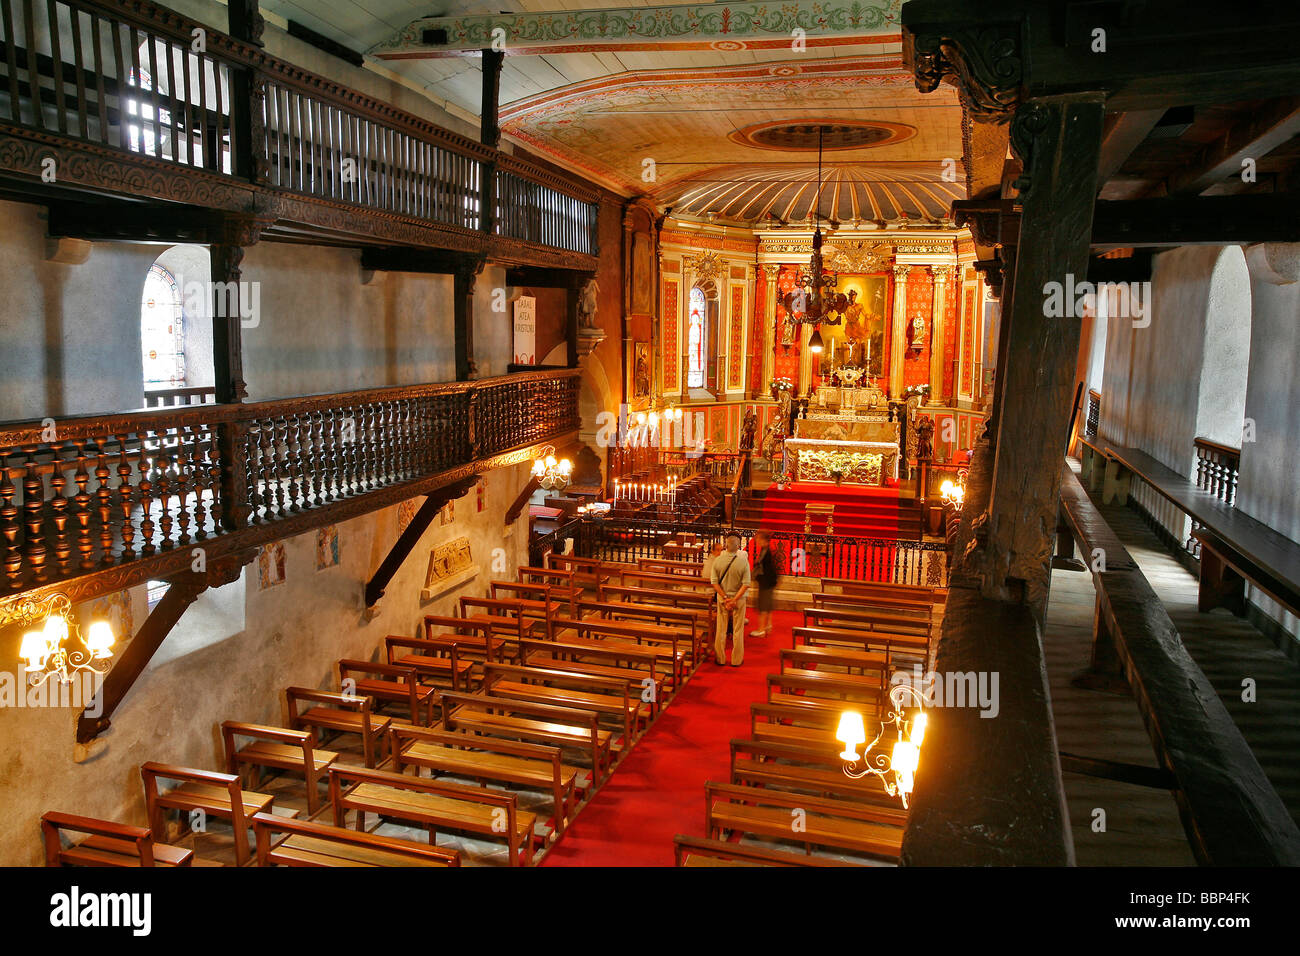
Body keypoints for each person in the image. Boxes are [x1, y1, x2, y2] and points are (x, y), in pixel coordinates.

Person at [709, 533, 751, 666]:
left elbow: (714, 583)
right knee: (738, 630)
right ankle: (736, 660)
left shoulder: (718, 561)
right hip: (738, 600)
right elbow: (746, 584)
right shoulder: (743, 561)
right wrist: (734, 599)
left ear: (726, 545)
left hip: (723, 599)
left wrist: (726, 597)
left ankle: (720, 658)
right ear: (738, 546)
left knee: (721, 629)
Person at [750, 530, 777, 639]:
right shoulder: (765, 550)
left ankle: (761, 629)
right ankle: (768, 625)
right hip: (768, 582)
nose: (757, 540)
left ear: (764, 540)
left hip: (766, 582)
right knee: (767, 605)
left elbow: (764, 568)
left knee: (763, 606)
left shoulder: (766, 552)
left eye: (759, 539)